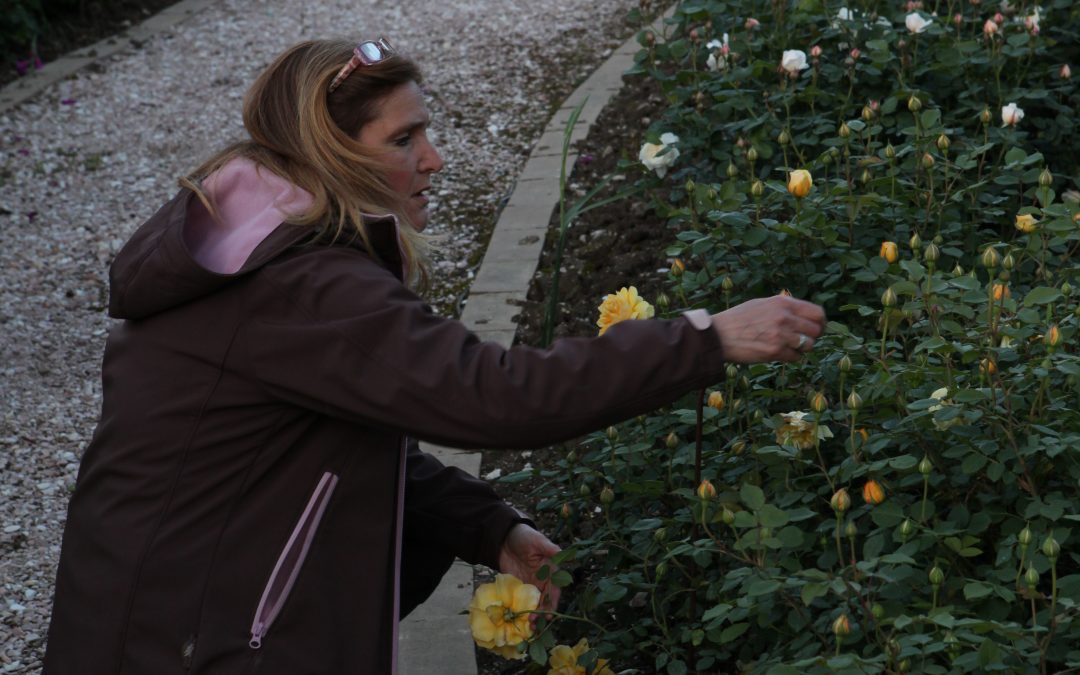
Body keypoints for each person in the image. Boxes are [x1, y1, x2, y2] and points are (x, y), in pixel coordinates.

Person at [42, 38, 826, 674]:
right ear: (333, 154)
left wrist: (485, 525)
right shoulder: (300, 285)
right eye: (403, 139)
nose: (435, 159)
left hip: (168, 627)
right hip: (189, 646)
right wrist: (704, 337)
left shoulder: (261, 251)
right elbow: (494, 395)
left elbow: (319, 446)